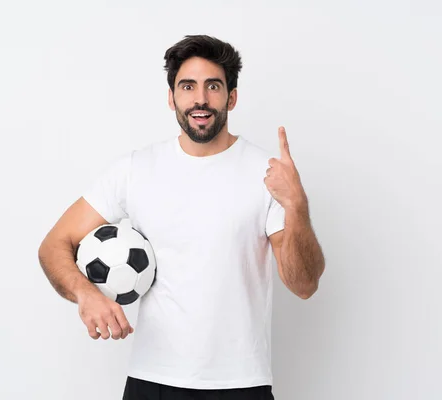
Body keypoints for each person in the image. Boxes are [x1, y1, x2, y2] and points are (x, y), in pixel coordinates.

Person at [38, 34, 326, 400]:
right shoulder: (135, 169)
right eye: (187, 86)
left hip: (240, 384)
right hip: (153, 379)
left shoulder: (265, 174)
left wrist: (297, 205)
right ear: (171, 97)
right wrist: (86, 294)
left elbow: (304, 284)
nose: (200, 99)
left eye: (213, 86)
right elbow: (53, 245)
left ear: (232, 97)